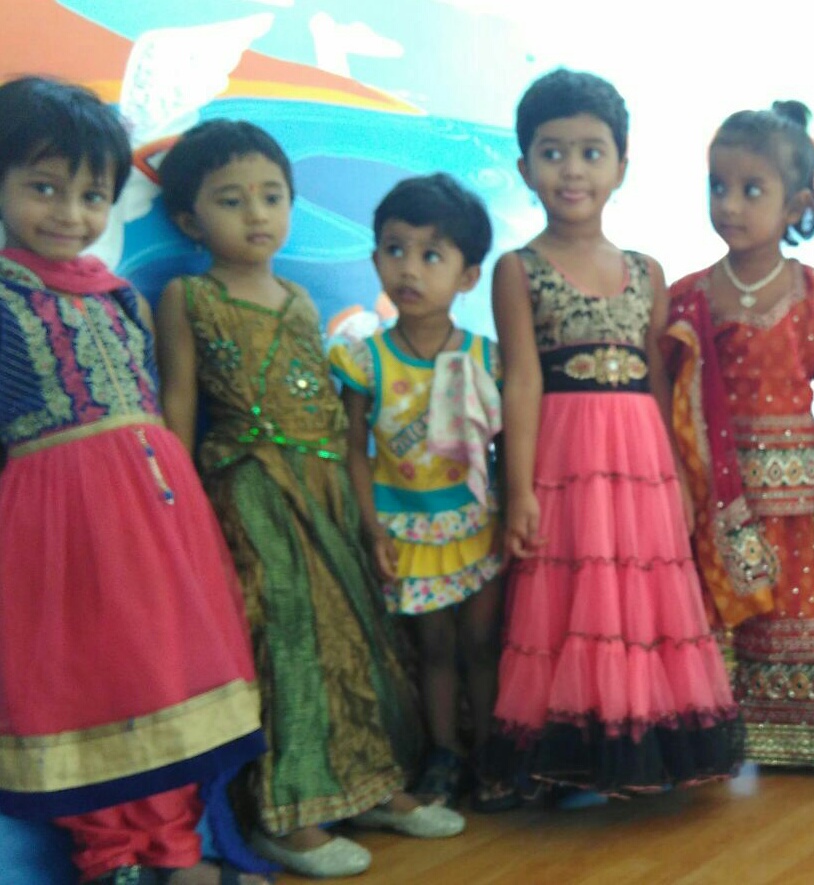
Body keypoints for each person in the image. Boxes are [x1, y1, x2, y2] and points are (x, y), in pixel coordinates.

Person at [155, 120, 464, 879]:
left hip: (324, 485)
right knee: (285, 635)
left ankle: (368, 784)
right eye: (231, 201)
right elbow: (180, 403)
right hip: (250, 488)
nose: (256, 214)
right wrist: (175, 508)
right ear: (191, 218)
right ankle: (288, 814)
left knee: (352, 633)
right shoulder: (188, 296)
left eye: (272, 197)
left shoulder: (296, 297)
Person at [0, 76, 266, 884]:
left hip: (157, 520)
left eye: (92, 195)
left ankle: (176, 852)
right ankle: (110, 858)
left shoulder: (123, 300)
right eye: (43, 187)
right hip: (55, 531)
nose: (69, 212)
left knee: (165, 677)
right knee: (88, 686)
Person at [480, 68, 743, 804]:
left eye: (591, 152)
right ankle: (562, 761)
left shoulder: (645, 271)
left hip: (641, 464)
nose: (572, 170)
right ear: (524, 166)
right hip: (564, 463)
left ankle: (644, 753)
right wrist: (520, 491)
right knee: (568, 600)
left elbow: (658, 383)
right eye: (553, 152)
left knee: (640, 599)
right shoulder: (517, 269)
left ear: (621, 166)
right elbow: (521, 382)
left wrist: (680, 479)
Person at [662, 102, 814, 767]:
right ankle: (714, 732)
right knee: (717, 606)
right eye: (718, 186)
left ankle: (788, 737)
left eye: (750, 190)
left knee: (789, 604)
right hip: (715, 490)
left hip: (793, 492)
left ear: (795, 204)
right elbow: (670, 402)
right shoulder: (688, 296)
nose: (729, 205)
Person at [330, 173, 508, 811]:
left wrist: (510, 515)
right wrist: (371, 526)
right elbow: (353, 448)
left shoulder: (489, 358)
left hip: (477, 527)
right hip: (405, 530)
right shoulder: (365, 361)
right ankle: (444, 753)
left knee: (482, 644)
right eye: (395, 249)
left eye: (431, 255)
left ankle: (491, 751)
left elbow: (506, 449)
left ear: (468, 276)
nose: (409, 268)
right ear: (375, 256)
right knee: (433, 648)